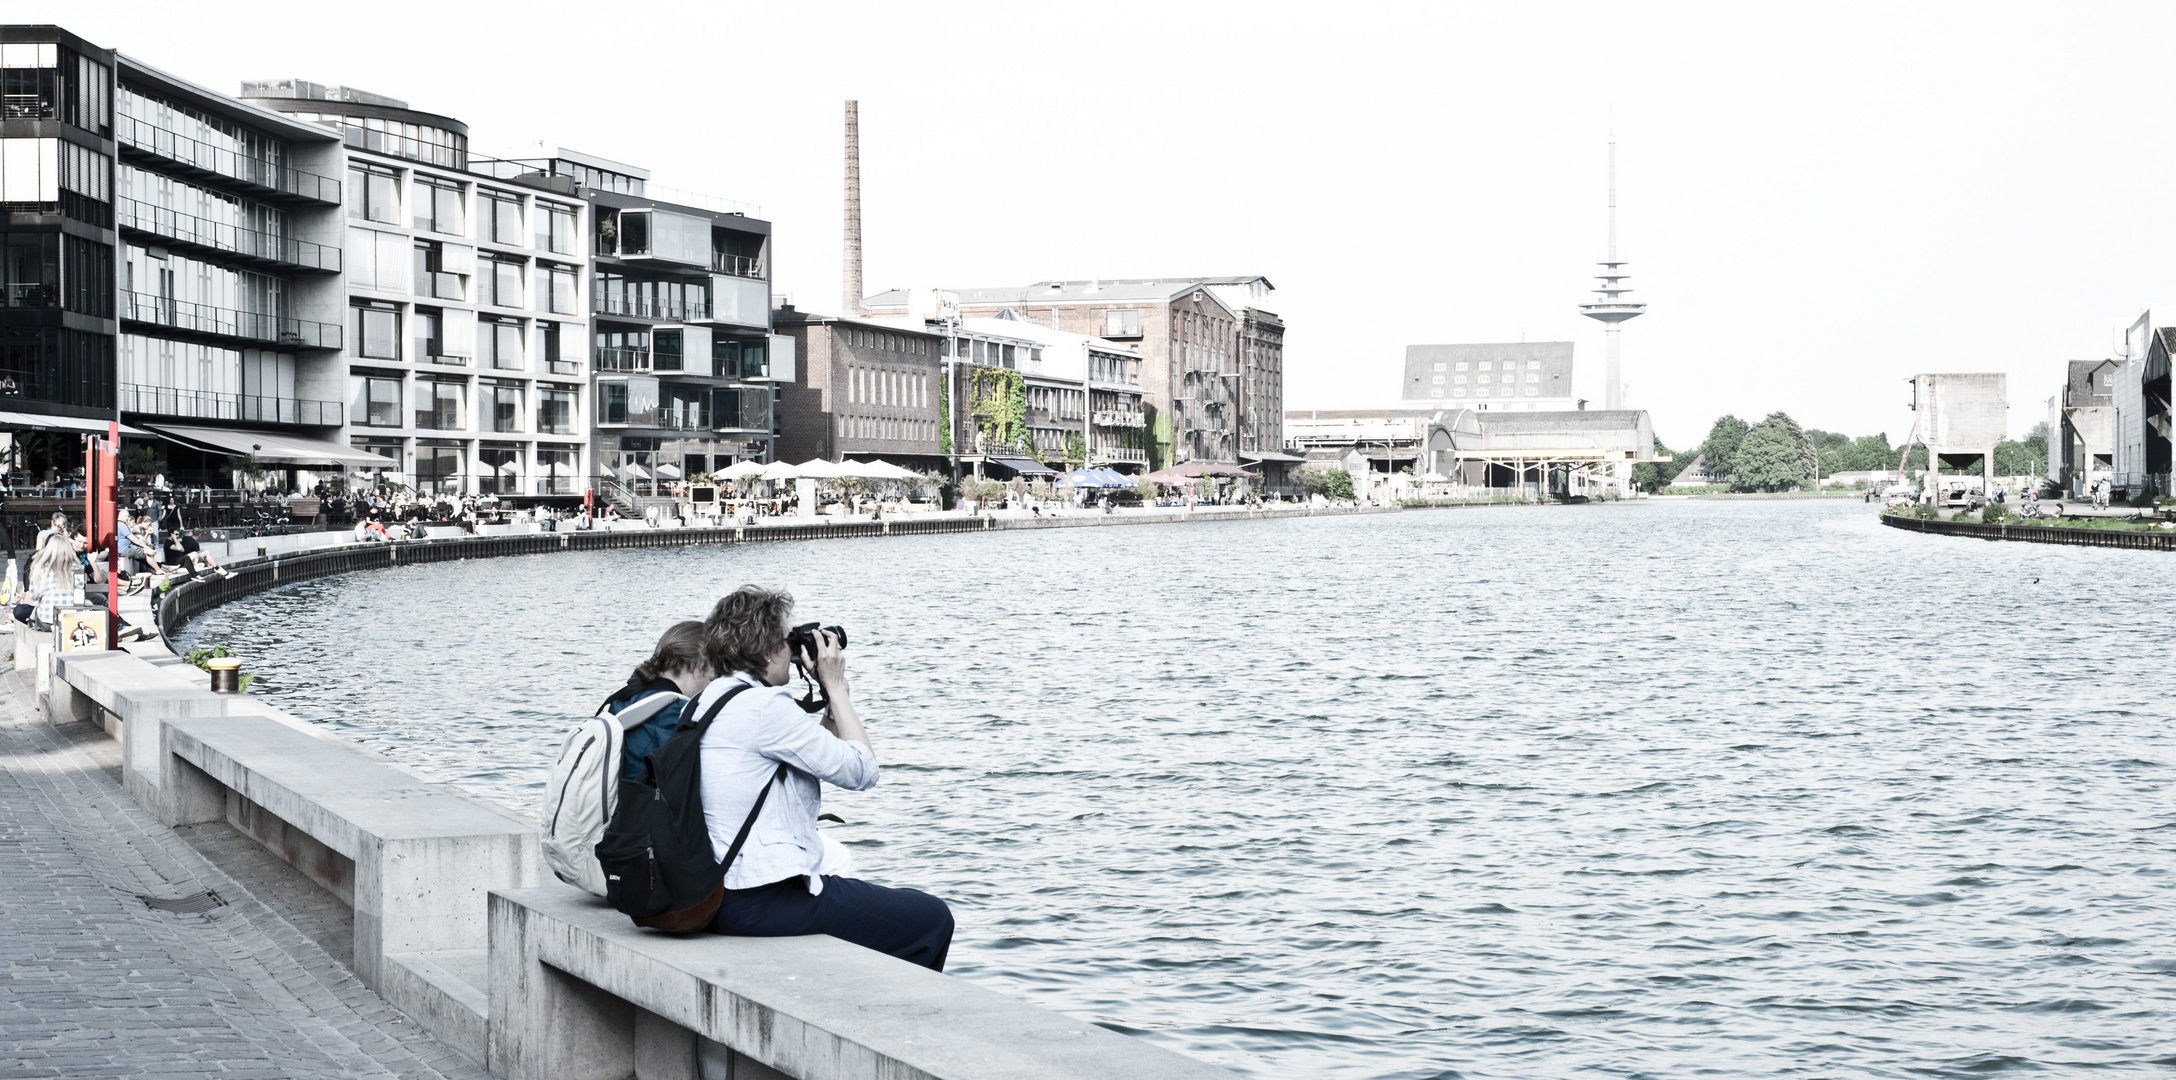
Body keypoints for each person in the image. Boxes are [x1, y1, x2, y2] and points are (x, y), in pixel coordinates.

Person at [688, 585, 953, 971]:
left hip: (712, 892)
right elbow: (862, 771)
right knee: (930, 918)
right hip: (757, 900)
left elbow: (816, 755)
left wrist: (830, 700)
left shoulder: (709, 702)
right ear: (764, 651)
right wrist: (834, 686)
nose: (793, 649)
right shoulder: (765, 708)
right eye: (787, 640)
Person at [603, 621, 714, 782]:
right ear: (694, 666)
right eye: (714, 674)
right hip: (638, 805)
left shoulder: (620, 698)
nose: (713, 683)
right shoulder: (674, 713)